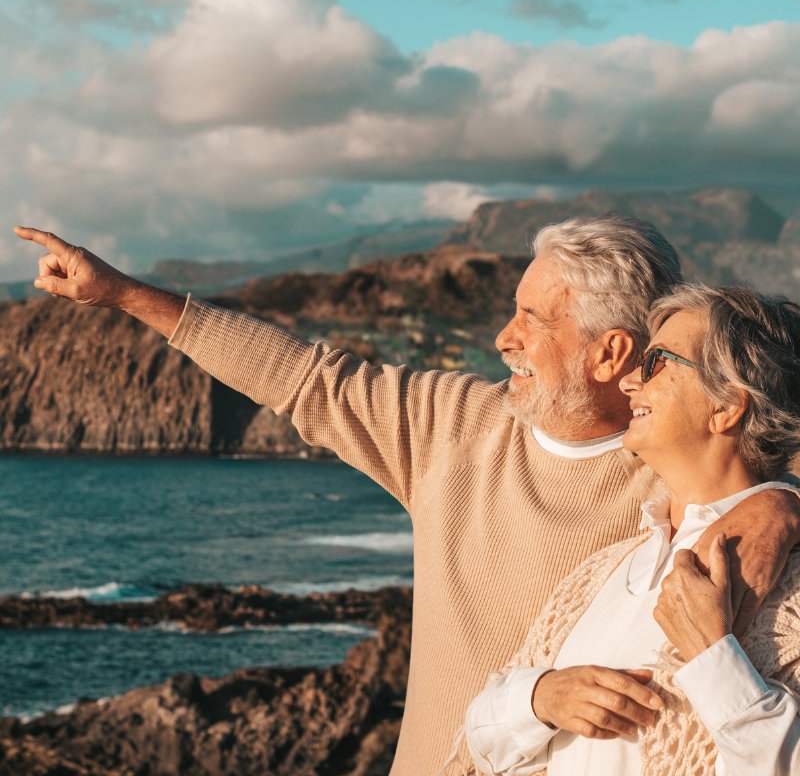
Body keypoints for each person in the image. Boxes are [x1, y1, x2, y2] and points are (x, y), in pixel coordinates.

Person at [13, 216, 800, 776]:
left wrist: (780, 502)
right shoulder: (452, 425)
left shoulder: (666, 482)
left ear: (611, 351)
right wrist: (122, 295)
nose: (504, 337)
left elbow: (753, 435)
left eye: (530, 317)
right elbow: (299, 376)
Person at [459, 284, 800, 775]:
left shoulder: (790, 578)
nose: (628, 382)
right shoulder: (600, 571)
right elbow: (478, 738)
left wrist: (713, 659)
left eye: (656, 361)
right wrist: (538, 698)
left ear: (726, 406)